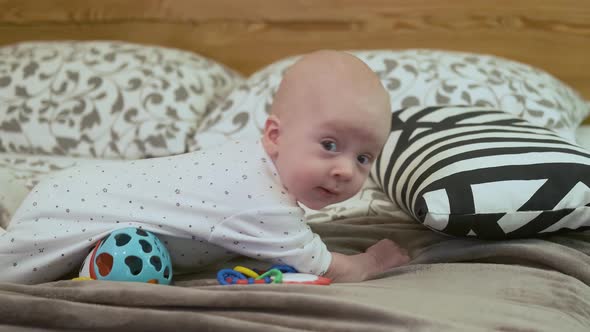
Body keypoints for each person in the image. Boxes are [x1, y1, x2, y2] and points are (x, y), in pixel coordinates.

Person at [0, 50, 409, 284]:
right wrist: (370, 262)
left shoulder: (251, 163)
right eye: (329, 144)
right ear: (274, 136)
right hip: (74, 206)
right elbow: (325, 265)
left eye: (363, 158)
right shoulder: (263, 204)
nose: (344, 170)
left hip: (70, 185)